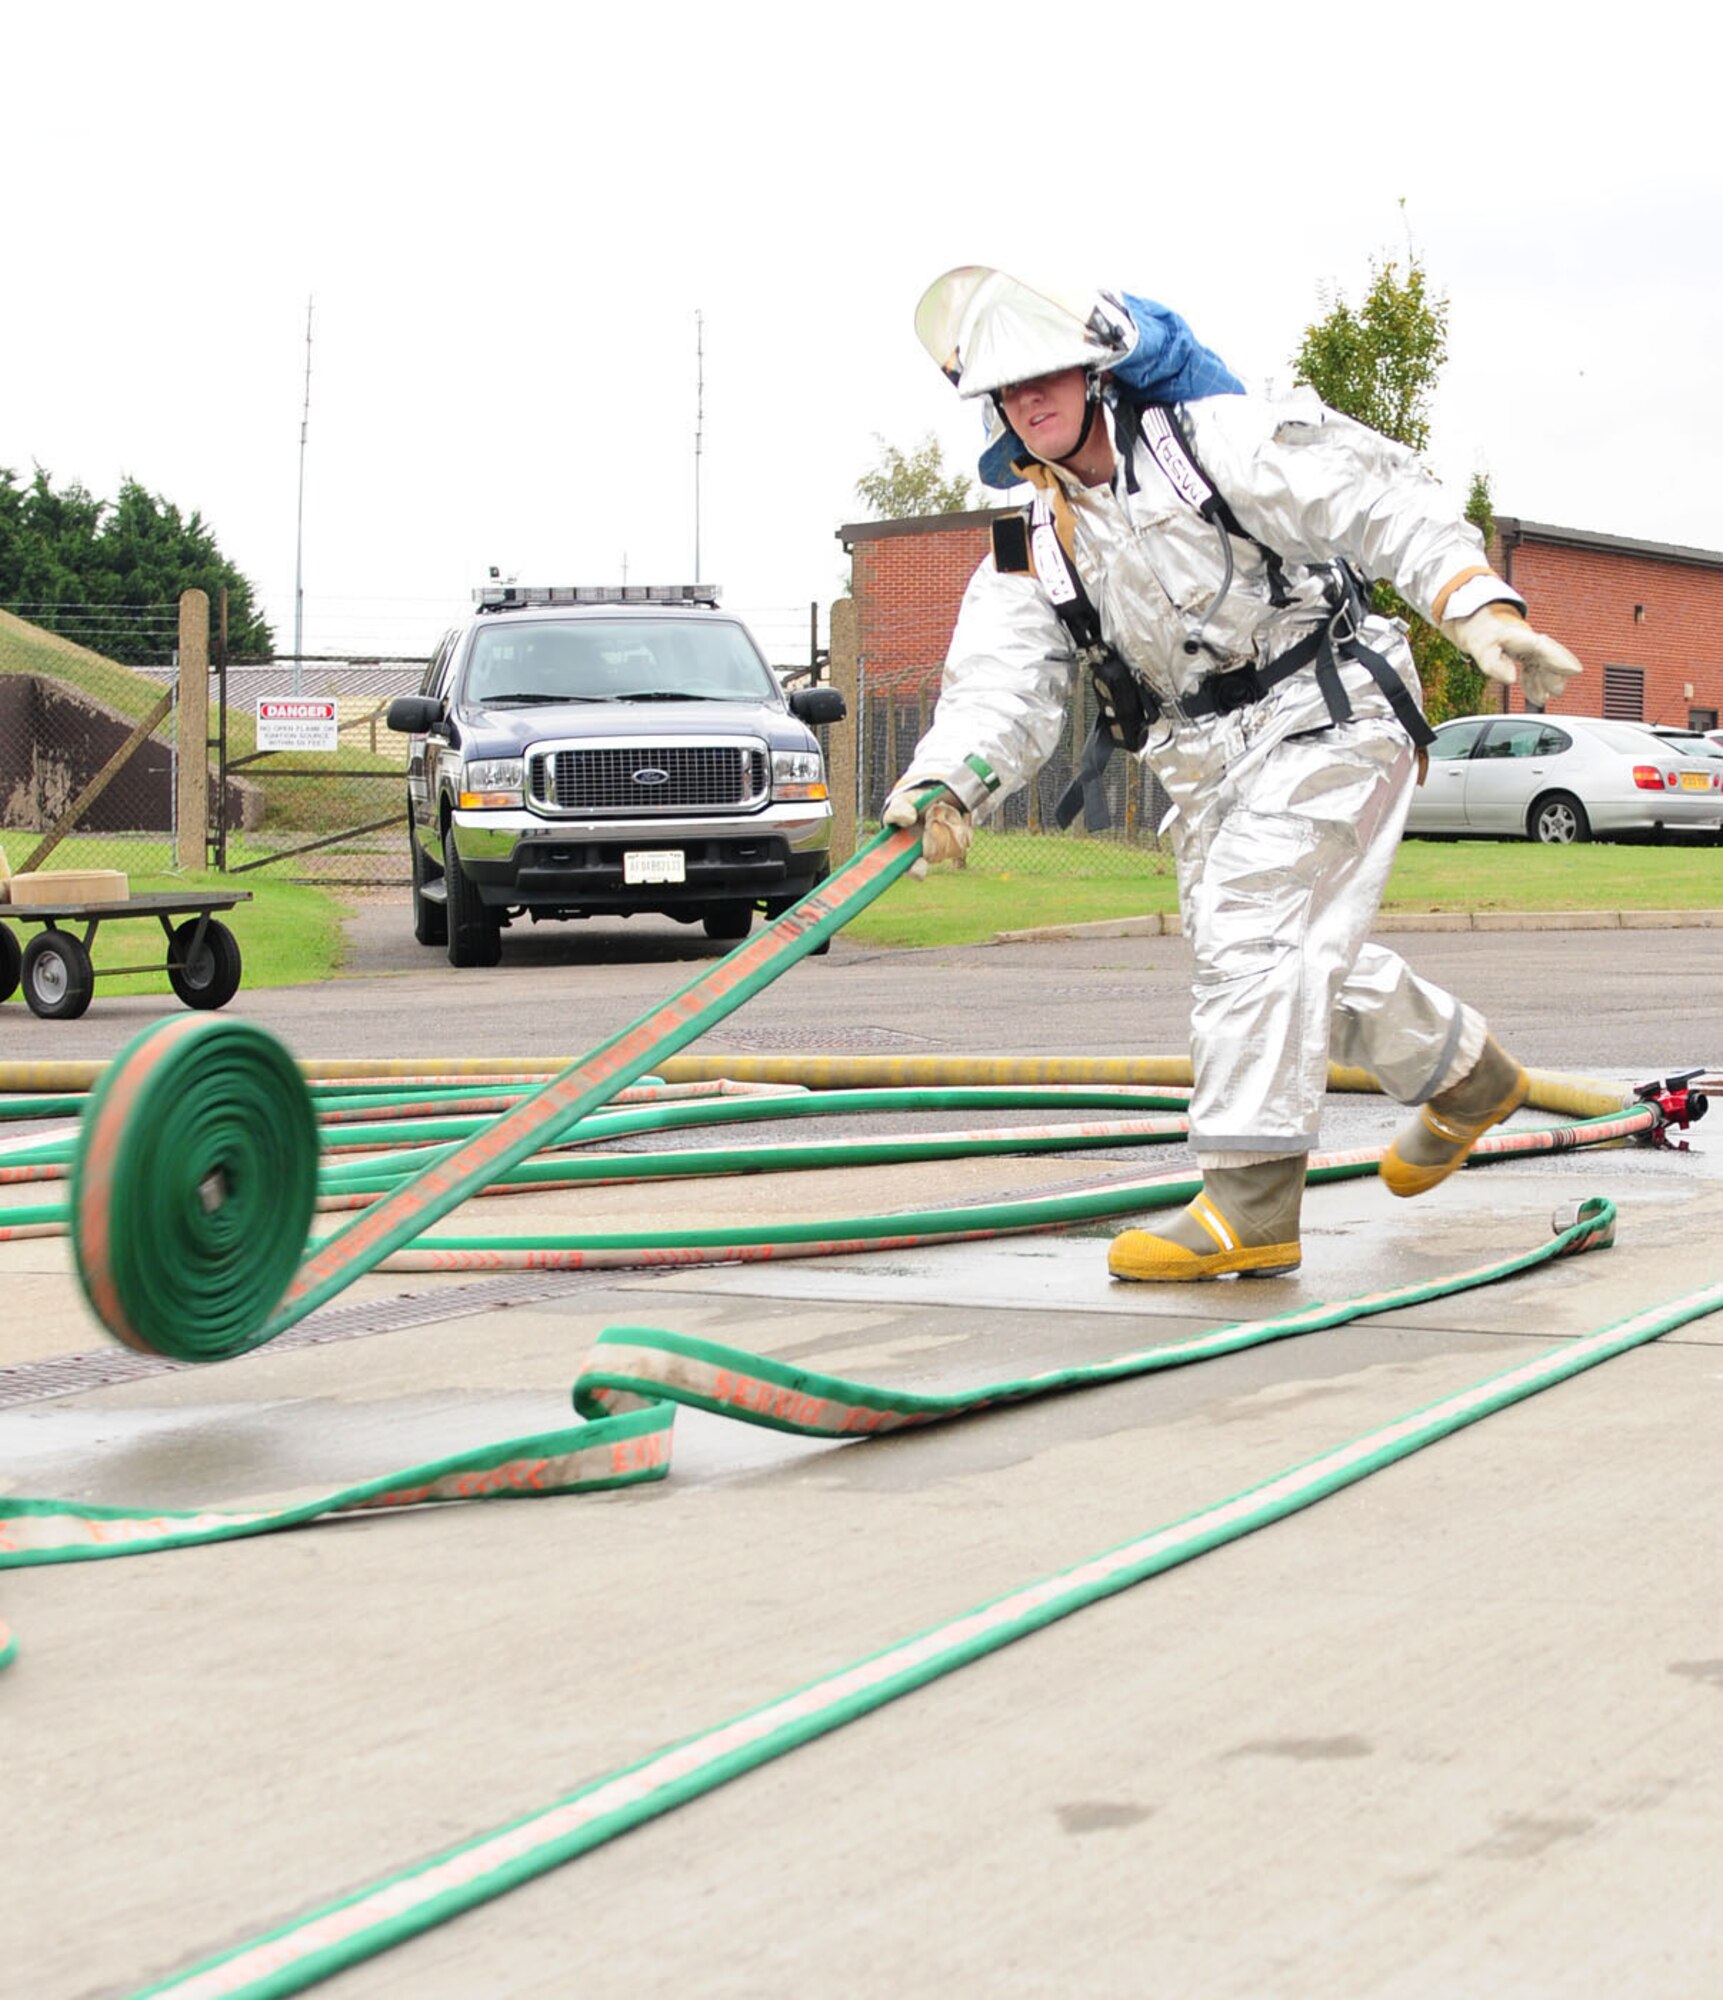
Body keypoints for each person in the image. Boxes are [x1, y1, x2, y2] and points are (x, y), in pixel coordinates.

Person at [883, 267, 1583, 1283]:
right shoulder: (1031, 536)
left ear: (1091, 371)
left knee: (1255, 929)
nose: (1031, 400)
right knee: (1291, 955)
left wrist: (1472, 602)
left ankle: (1249, 1199)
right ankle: (1466, 1075)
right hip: (1204, 760)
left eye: (1046, 376)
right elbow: (1001, 686)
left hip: (1329, 708)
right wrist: (944, 785)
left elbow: (1369, 494)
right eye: (1007, 389)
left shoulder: (1204, 441)